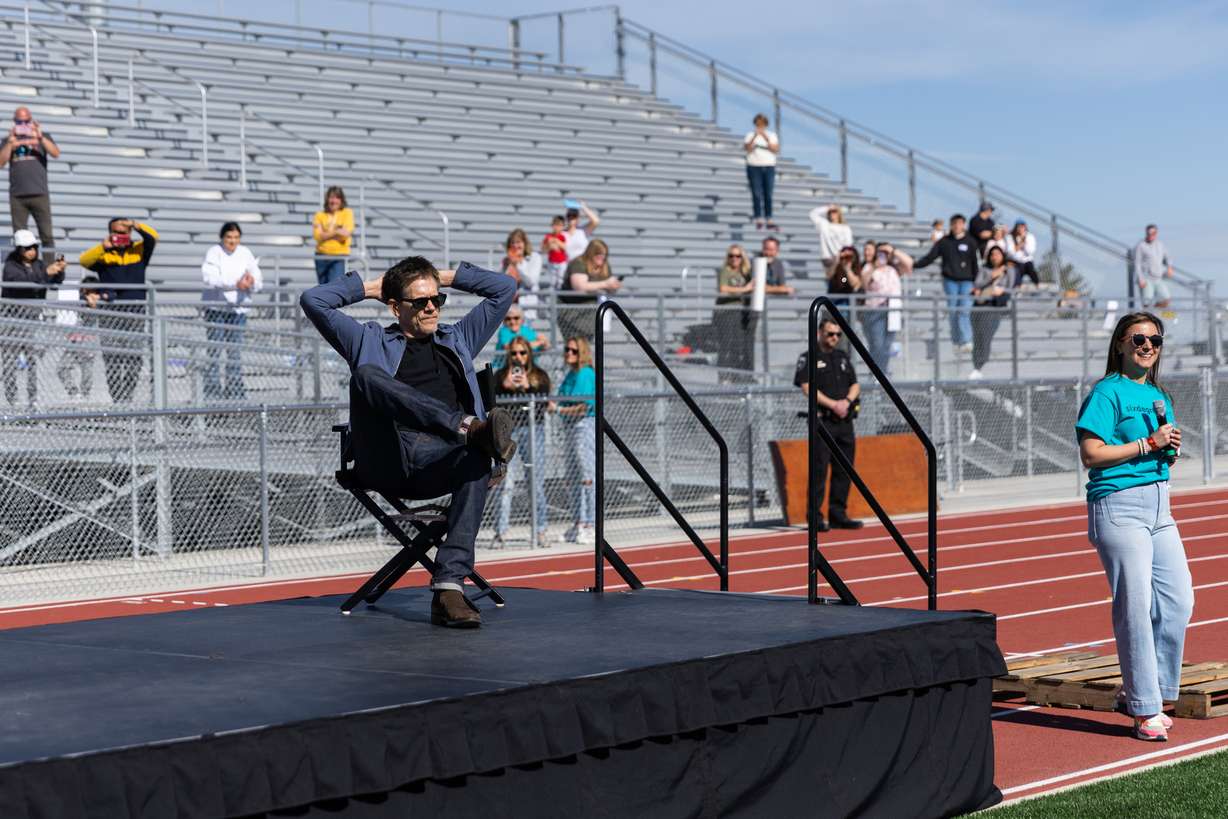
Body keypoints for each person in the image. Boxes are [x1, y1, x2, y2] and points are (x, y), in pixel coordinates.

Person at [299, 257, 518, 629]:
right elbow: (312, 300)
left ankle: (449, 587)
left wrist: (437, 277)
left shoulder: (458, 338)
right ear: (395, 306)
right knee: (366, 376)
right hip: (389, 454)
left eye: (437, 299)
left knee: (477, 459)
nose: (431, 307)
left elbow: (504, 288)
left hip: (445, 458)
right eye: (419, 301)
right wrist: (372, 286)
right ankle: (470, 428)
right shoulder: (368, 339)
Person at [1076, 311, 1192, 742]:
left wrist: (1168, 450)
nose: (1148, 346)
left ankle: (1149, 689)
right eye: (1139, 338)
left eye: (1155, 340)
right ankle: (1146, 710)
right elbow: (1091, 453)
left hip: (1160, 508)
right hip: (1120, 507)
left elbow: (1161, 449)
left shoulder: (1159, 394)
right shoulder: (1107, 393)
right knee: (1135, 607)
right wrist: (1147, 444)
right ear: (1120, 344)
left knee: (1179, 601)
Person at [794, 318, 862, 531]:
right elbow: (807, 387)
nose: (834, 338)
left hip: (844, 421)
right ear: (820, 333)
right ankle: (815, 518)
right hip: (823, 421)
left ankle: (838, 513)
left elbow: (855, 384)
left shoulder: (842, 357)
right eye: (830, 334)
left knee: (844, 469)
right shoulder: (809, 358)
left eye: (838, 335)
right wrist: (833, 405)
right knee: (819, 471)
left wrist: (847, 402)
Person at [79, 218, 158, 403]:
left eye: (124, 233)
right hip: (111, 313)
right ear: (110, 233)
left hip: (135, 312)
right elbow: (84, 260)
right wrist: (103, 247)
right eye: (117, 233)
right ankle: (116, 399)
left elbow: (153, 237)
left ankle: (127, 397)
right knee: (112, 359)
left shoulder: (139, 250)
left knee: (134, 359)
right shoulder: (104, 255)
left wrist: (136, 225)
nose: (121, 236)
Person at [491, 336, 551, 547]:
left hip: (533, 431)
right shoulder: (499, 376)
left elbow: (545, 406)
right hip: (508, 433)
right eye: (514, 353)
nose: (518, 357)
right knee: (505, 482)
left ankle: (541, 530)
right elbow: (491, 404)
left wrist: (528, 388)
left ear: (529, 354)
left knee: (535, 482)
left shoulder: (540, 376)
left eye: (522, 353)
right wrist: (505, 387)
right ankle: (500, 531)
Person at [1, 229, 66, 407]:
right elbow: (21, 283)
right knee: (8, 363)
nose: (32, 251)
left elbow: (53, 284)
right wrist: (47, 272)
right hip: (12, 320)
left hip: (32, 320)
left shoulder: (38, 265)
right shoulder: (11, 266)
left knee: (33, 363)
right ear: (19, 249)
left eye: (34, 247)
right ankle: (12, 399)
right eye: (27, 248)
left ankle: (33, 399)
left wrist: (59, 271)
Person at [201, 222, 263, 401]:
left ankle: (235, 391)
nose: (232, 241)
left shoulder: (245, 253)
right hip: (217, 309)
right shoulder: (214, 252)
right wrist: (235, 283)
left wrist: (251, 281)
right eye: (229, 237)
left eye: (236, 237)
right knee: (215, 351)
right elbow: (210, 278)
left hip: (239, 309)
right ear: (222, 238)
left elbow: (258, 278)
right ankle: (212, 392)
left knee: (234, 353)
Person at [0, 106, 60, 266]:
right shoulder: (8, 140)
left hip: (39, 193)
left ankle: (49, 268)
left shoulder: (42, 137)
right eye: (19, 121)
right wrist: (10, 144)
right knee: (20, 236)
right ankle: (23, 268)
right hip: (18, 195)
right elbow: (1, 162)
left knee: (46, 234)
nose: (23, 124)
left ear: (31, 120)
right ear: (14, 122)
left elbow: (55, 153)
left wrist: (40, 138)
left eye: (26, 121)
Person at [551, 336, 597, 544]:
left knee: (586, 476)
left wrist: (558, 409)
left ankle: (590, 524)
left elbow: (582, 407)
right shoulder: (571, 374)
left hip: (583, 425)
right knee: (572, 476)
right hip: (569, 427)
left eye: (573, 351)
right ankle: (578, 521)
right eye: (567, 350)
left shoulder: (585, 374)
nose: (568, 353)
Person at [914, 213, 978, 352]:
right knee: (953, 311)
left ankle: (966, 340)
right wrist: (915, 264)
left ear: (963, 225)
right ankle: (956, 340)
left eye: (959, 223)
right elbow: (930, 257)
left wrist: (976, 283)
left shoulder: (970, 242)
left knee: (964, 311)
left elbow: (975, 263)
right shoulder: (944, 242)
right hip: (951, 281)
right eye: (954, 223)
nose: (957, 226)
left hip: (967, 281)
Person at [559, 238, 620, 340]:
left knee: (586, 347)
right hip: (572, 311)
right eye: (599, 255)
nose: (602, 258)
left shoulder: (604, 265)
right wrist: (605, 284)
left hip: (591, 312)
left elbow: (608, 286)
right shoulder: (578, 262)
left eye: (604, 255)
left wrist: (612, 286)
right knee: (575, 344)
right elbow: (579, 287)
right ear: (591, 253)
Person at [969, 246, 1013, 379]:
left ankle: (980, 366)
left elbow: (1011, 289)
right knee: (978, 338)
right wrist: (991, 276)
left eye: (997, 254)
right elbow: (977, 285)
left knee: (986, 336)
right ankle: (976, 367)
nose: (994, 257)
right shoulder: (984, 270)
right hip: (980, 306)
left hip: (994, 307)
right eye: (992, 254)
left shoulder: (1008, 271)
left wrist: (1002, 291)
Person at [715, 243, 756, 377]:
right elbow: (723, 289)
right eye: (731, 255)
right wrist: (744, 289)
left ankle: (736, 376)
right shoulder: (725, 270)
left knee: (737, 346)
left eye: (738, 256)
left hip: (740, 313)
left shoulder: (745, 272)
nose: (734, 258)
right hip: (725, 312)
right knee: (725, 346)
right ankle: (723, 377)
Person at [55, 274, 100, 401]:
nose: (86, 292)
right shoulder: (79, 299)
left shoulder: (98, 301)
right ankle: (74, 392)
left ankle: (85, 395)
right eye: (85, 289)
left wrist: (92, 300)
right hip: (75, 340)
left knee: (87, 370)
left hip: (88, 342)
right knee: (62, 368)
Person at [860, 249, 901, 375]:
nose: (882, 258)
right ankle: (877, 372)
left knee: (887, 345)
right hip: (875, 310)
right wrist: (874, 267)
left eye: (884, 255)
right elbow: (864, 284)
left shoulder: (892, 270)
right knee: (877, 344)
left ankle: (883, 371)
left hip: (892, 311)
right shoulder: (869, 268)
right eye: (880, 255)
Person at [743, 113, 780, 230]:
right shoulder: (750, 135)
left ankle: (769, 216)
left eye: (762, 124)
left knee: (768, 193)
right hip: (754, 166)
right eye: (758, 124)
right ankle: (758, 216)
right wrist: (755, 137)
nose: (760, 126)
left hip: (768, 166)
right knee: (756, 192)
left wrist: (764, 137)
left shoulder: (771, 135)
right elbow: (747, 148)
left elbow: (775, 149)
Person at [312, 186, 353, 285]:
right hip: (321, 256)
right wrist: (336, 231)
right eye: (331, 197)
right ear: (327, 199)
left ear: (341, 200)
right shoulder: (319, 215)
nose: (334, 201)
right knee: (322, 289)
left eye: (337, 197)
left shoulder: (347, 213)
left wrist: (326, 233)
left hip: (338, 256)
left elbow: (346, 234)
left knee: (334, 288)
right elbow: (318, 236)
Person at [502, 228, 543, 319]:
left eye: (518, 242)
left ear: (525, 243)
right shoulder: (507, 261)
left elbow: (531, 282)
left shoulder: (535, 258)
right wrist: (509, 265)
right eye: (513, 243)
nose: (515, 245)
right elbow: (503, 284)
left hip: (527, 307)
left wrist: (518, 264)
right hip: (509, 309)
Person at [493, 304, 546, 369]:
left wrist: (543, 342)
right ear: (504, 321)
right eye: (508, 319)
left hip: (527, 368)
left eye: (516, 318)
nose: (512, 321)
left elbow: (544, 345)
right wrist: (538, 343)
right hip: (503, 369)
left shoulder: (527, 330)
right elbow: (510, 347)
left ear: (522, 319)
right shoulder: (504, 331)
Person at [1134, 224, 1174, 309]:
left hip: (1158, 277)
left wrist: (1169, 267)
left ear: (1156, 234)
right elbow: (1137, 263)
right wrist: (1141, 278)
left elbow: (1168, 256)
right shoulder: (1141, 246)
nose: (1150, 236)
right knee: (1147, 302)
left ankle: (1153, 311)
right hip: (1147, 278)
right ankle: (1147, 314)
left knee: (1166, 299)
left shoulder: (1160, 244)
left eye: (1153, 233)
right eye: (1149, 234)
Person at [808, 204, 854, 271]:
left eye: (834, 211)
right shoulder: (824, 224)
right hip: (828, 259)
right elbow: (812, 214)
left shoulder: (845, 228)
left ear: (839, 213)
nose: (832, 213)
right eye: (830, 212)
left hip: (841, 258)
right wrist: (827, 208)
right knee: (832, 279)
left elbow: (848, 245)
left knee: (843, 279)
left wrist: (841, 255)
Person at [1006, 220, 1039, 288]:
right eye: (1019, 226)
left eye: (1022, 226)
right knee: (1017, 272)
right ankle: (1017, 288)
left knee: (1031, 270)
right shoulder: (1010, 237)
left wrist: (1024, 242)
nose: (1020, 229)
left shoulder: (1030, 236)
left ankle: (1037, 285)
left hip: (1027, 261)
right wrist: (1020, 244)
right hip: (1016, 261)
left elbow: (1030, 252)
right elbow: (1010, 252)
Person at [541, 215, 569, 289]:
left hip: (561, 262)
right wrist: (549, 245)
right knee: (552, 281)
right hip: (552, 261)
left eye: (560, 225)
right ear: (552, 225)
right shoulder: (548, 236)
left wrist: (556, 241)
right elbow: (543, 249)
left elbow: (565, 247)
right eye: (556, 225)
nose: (557, 228)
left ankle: (560, 294)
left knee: (560, 280)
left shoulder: (563, 236)